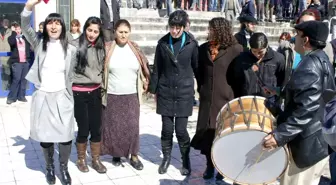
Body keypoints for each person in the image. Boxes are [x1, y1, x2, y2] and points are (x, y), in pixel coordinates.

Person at [263, 21, 336, 185]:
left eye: (297, 35)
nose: (294, 39)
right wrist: (280, 91)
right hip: (317, 141)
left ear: (306, 40)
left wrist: (279, 136)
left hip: (307, 144)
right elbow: (314, 95)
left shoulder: (310, 65)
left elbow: (306, 109)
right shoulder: (322, 59)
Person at [22, 0, 78, 185]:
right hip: (43, 96)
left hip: (63, 96)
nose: (53, 26)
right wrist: (29, 6)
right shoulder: (39, 44)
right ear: (45, 26)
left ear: (62, 26)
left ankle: (64, 167)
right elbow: (24, 26)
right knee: (45, 137)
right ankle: (50, 167)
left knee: (66, 136)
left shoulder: (71, 49)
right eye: (50, 23)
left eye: (57, 23)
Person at [190, 17, 243, 181]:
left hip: (225, 100)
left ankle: (222, 167)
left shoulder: (236, 49)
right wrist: (202, 89)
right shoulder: (203, 48)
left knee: (222, 135)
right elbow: (199, 72)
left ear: (220, 30)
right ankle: (209, 165)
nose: (209, 31)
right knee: (207, 135)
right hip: (207, 99)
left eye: (211, 29)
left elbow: (239, 76)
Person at [149, 10, 198, 176]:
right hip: (166, 91)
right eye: (172, 27)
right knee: (167, 129)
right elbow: (157, 69)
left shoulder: (191, 43)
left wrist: (201, 90)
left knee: (181, 130)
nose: (175, 31)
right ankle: (167, 158)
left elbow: (197, 68)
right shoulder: (162, 43)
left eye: (178, 27)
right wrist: (153, 89)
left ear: (184, 27)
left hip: (184, 92)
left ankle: (185, 159)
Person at [100, 19, 150, 171]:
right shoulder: (108, 48)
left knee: (132, 127)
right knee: (114, 127)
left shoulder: (135, 48)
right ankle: (116, 154)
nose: (123, 35)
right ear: (115, 32)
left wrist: (146, 82)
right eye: (120, 32)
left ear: (130, 33)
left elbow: (144, 65)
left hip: (132, 95)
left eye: (126, 32)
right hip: (113, 94)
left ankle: (134, 156)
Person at [71, 17, 107, 174]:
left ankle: (96, 159)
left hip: (95, 92)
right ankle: (81, 159)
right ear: (84, 29)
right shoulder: (74, 46)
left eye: (96, 31)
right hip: (79, 93)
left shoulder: (101, 48)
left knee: (97, 128)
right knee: (84, 128)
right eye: (89, 30)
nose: (92, 34)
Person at [229, 32, 285, 98]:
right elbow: (236, 80)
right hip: (247, 100)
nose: (257, 55)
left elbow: (281, 80)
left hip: (269, 100)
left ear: (266, 46)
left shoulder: (278, 58)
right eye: (254, 51)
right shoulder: (241, 59)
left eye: (260, 52)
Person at [6, 22, 31, 105]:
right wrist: (13, 33)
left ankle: (21, 96)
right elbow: (12, 43)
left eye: (19, 29)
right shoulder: (11, 37)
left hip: (25, 62)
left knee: (24, 80)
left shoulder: (25, 38)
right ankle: (11, 98)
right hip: (17, 62)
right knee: (16, 79)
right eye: (16, 29)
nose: (17, 30)